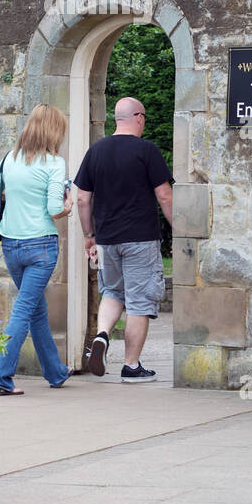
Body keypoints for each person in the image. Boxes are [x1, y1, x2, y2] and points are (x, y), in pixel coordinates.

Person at [74, 96, 173, 381]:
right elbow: (164, 195)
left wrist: (89, 236)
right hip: (140, 238)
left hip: (106, 239)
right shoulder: (147, 151)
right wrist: (178, 227)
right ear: (139, 117)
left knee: (113, 292)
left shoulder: (96, 151)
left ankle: (102, 335)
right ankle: (131, 366)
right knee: (140, 301)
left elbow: (82, 198)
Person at [0, 103, 74, 395]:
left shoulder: (10, 158)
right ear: (54, 131)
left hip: (11, 245)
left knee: (35, 309)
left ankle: (55, 372)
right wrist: (68, 206)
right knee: (24, 310)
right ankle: (1, 377)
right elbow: (53, 209)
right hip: (41, 246)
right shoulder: (54, 163)